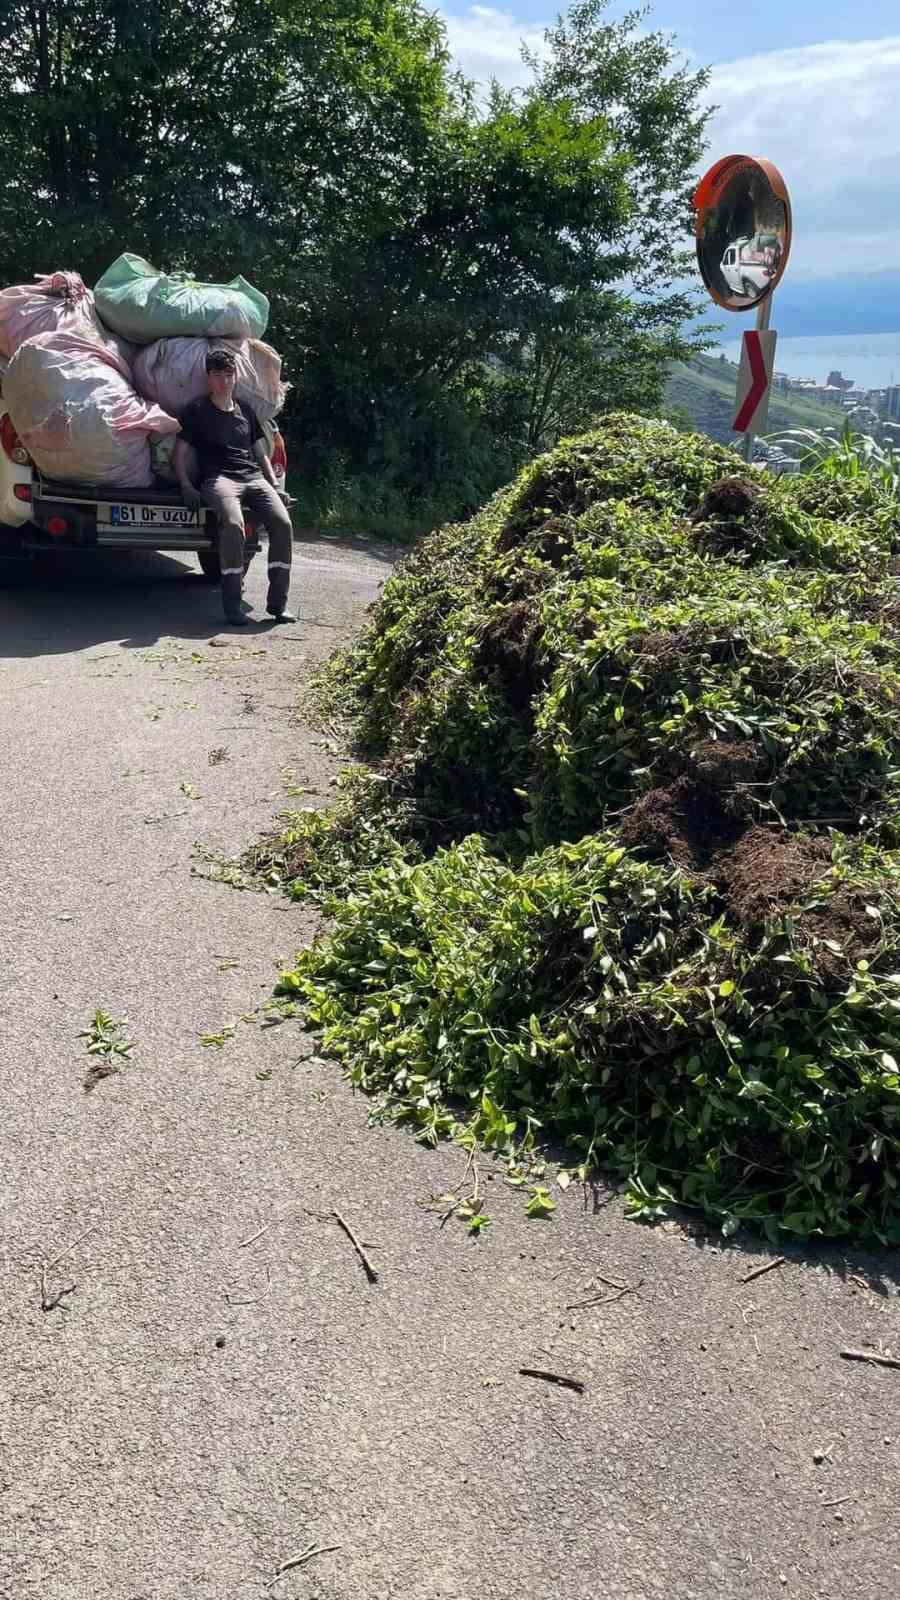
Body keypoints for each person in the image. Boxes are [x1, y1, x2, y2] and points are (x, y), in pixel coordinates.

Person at [174, 347, 295, 627]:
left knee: (282, 524)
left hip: (253, 478)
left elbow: (260, 451)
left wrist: (274, 484)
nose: (224, 382)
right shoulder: (197, 411)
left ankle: (278, 605)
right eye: (217, 376)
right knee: (232, 524)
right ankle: (232, 605)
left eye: (228, 375)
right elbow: (179, 453)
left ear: (236, 377)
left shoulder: (246, 410)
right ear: (209, 379)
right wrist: (186, 486)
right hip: (219, 480)